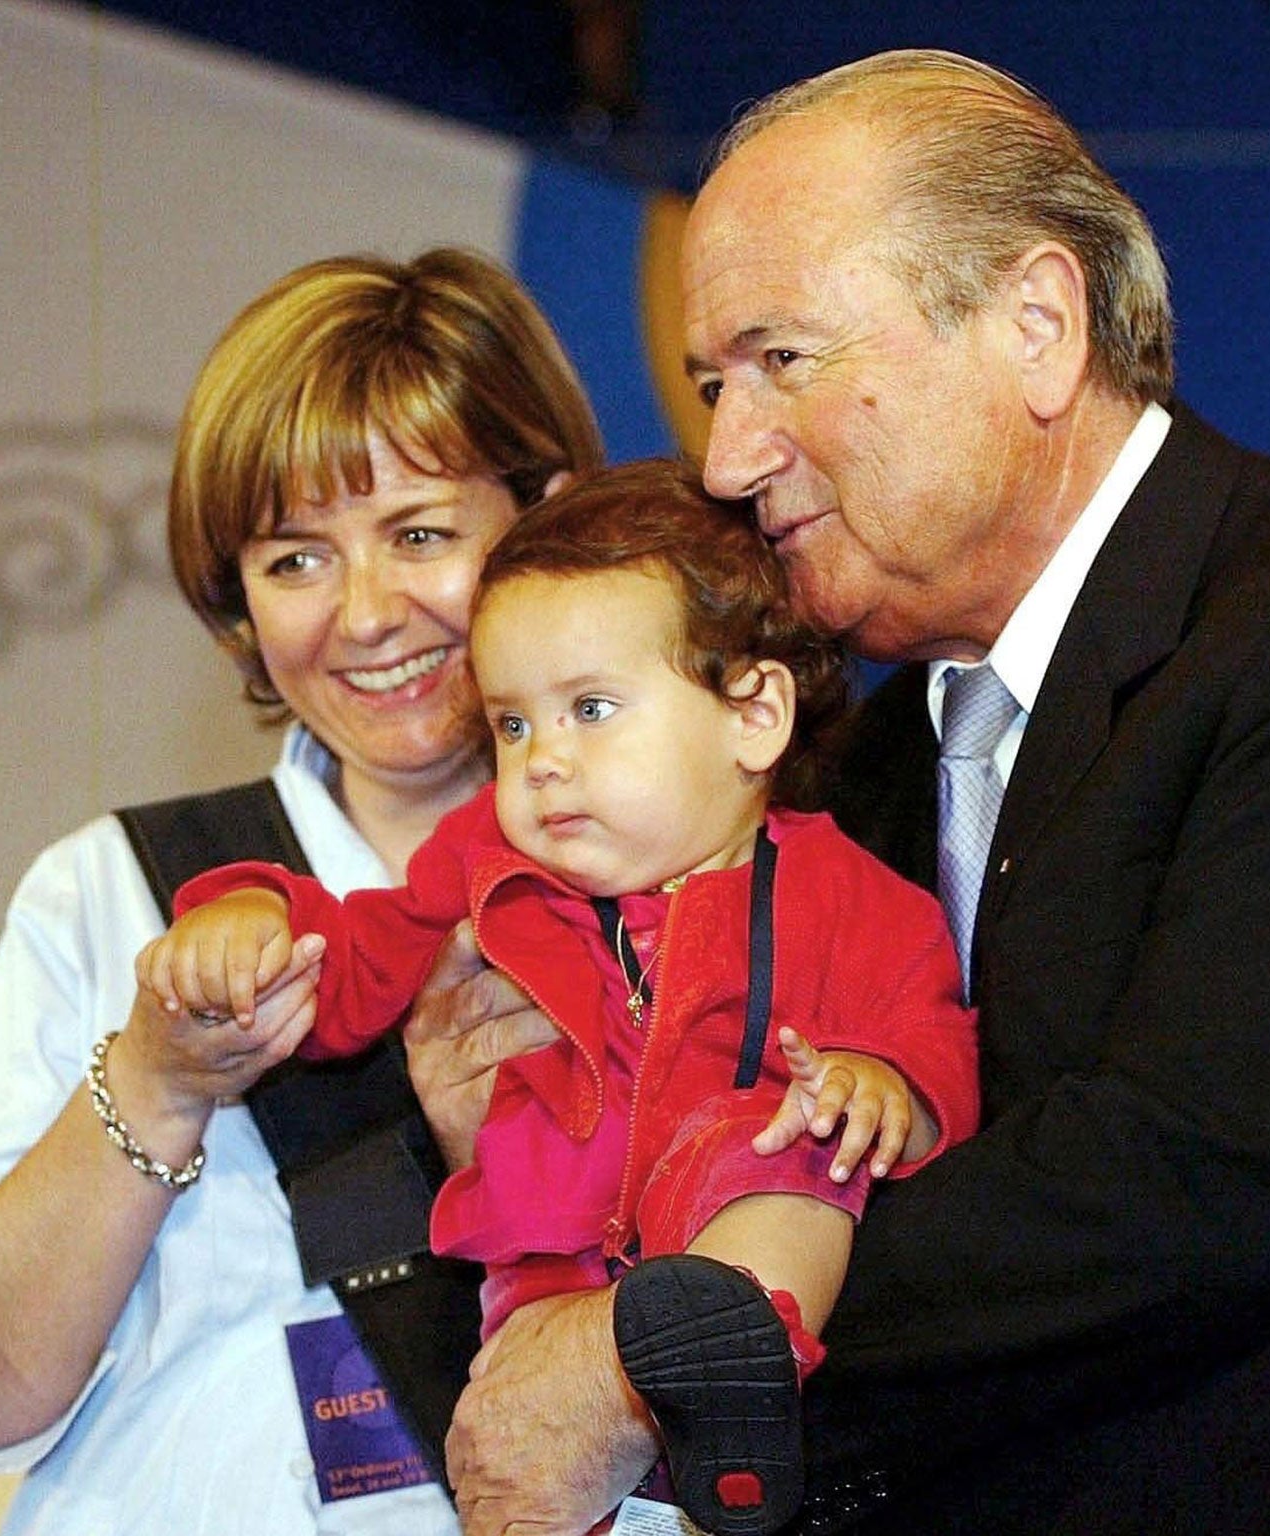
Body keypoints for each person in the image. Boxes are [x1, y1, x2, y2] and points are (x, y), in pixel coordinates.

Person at [425, 49, 1270, 1536]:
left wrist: (673, 1349)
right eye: (715, 384)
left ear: (1035, 326)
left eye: (783, 359)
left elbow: (1198, 1180)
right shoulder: (867, 768)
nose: (728, 456)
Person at [0, 247, 603, 1536]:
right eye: (294, 560)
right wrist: (153, 1082)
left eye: (420, 534)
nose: (366, 615)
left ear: (544, 513)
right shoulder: (111, 894)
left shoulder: (686, 870)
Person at [138, 458, 981, 1536]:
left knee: (778, 1138)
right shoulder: (485, 863)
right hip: (551, 1274)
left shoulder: (846, 893)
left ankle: (729, 1375)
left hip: (747, 1251)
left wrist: (887, 1088)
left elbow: (935, 1037)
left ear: (752, 714)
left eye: (588, 709)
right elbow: (353, 959)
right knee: (523, 1469)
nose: (540, 763)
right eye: (512, 726)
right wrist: (252, 914)